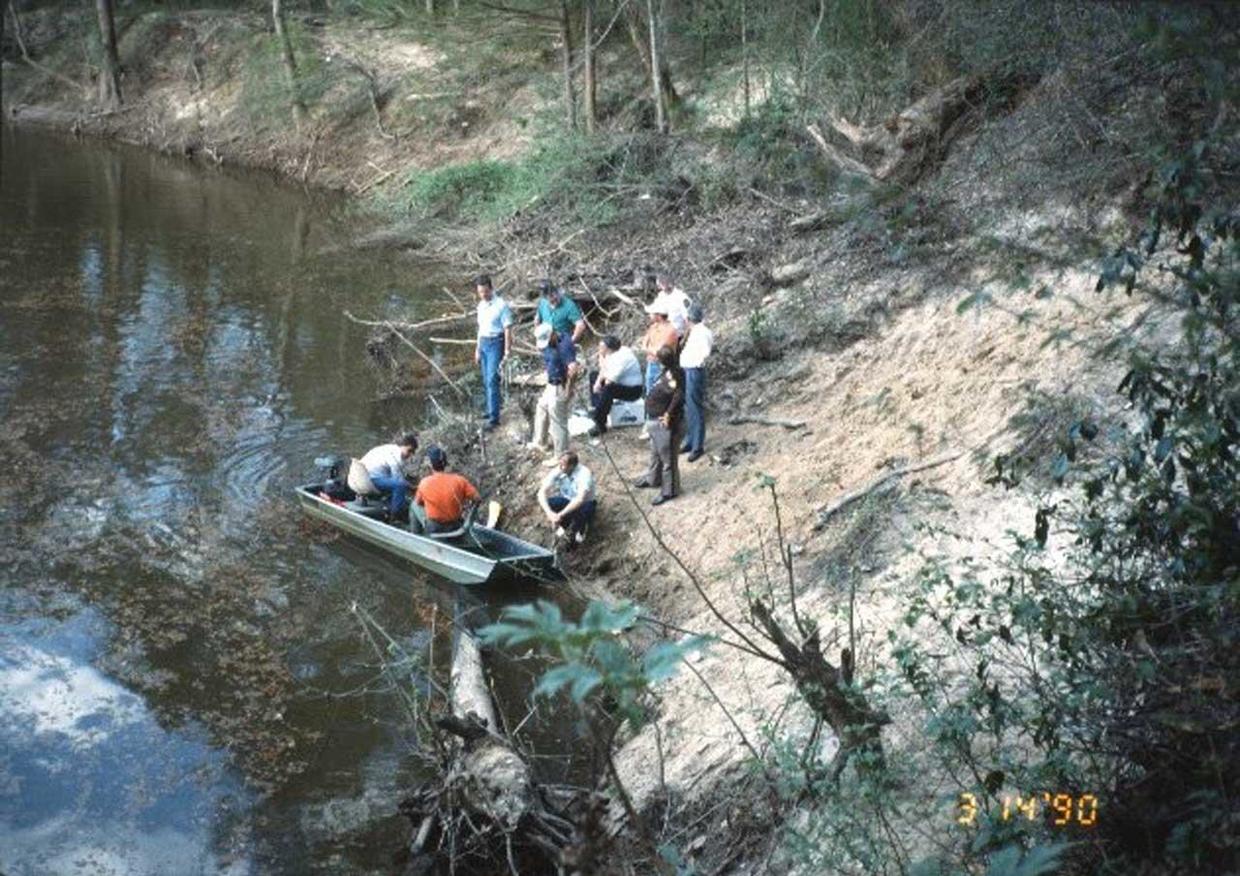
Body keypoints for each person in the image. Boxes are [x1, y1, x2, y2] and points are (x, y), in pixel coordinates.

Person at [633, 345, 684, 506]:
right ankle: (653, 478)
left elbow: (678, 396)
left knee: (668, 458)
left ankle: (670, 490)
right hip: (654, 421)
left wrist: (668, 414)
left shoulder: (674, 375)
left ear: (663, 361)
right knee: (655, 453)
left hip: (665, 422)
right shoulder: (666, 372)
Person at [528, 322, 572, 463]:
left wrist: (568, 390)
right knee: (541, 408)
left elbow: (573, 369)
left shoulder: (564, 345)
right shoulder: (548, 344)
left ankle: (561, 455)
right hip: (551, 382)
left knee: (558, 420)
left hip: (561, 384)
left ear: (553, 334)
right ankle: (540, 442)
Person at [411, 445, 481, 534]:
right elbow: (478, 498)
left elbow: (418, 503)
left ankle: (416, 535)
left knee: (413, 505)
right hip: (456, 526)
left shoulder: (424, 482)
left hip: (434, 528)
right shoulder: (460, 480)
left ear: (431, 465)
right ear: (445, 463)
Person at [473, 274, 513, 430]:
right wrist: (477, 348)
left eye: (485, 291)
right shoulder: (480, 306)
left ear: (491, 288)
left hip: (496, 342)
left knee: (492, 379)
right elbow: (480, 328)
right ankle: (490, 409)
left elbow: (508, 328)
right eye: (480, 292)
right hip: (483, 342)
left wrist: (507, 350)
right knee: (485, 379)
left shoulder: (501, 305)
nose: (483, 295)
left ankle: (494, 418)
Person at [588, 335, 643, 437]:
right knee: (594, 376)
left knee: (608, 389)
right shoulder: (613, 352)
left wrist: (601, 360)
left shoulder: (622, 359)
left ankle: (600, 423)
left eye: (601, 347)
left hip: (633, 390)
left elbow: (609, 381)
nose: (599, 349)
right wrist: (597, 383)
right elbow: (604, 370)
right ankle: (597, 408)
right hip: (620, 383)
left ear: (608, 349)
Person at [678, 303, 713, 462]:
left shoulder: (702, 332)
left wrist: (696, 363)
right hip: (688, 370)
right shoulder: (693, 331)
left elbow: (705, 352)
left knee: (695, 407)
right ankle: (690, 440)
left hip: (694, 371)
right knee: (688, 407)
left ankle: (697, 446)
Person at [538, 450, 596, 544]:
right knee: (551, 503)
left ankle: (581, 529)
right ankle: (565, 524)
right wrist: (550, 513)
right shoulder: (559, 469)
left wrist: (560, 514)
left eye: (563, 465)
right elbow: (541, 492)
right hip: (567, 500)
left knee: (585, 511)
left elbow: (579, 499)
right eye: (559, 464)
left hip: (584, 503)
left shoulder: (584, 475)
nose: (560, 467)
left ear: (572, 466)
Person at [359, 433, 419, 518]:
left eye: (413, 452)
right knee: (400, 486)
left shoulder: (392, 448)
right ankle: (396, 515)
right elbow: (398, 480)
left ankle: (391, 504)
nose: (410, 454)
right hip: (370, 478)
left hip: (366, 474)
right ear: (403, 445)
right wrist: (412, 487)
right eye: (409, 450)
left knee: (399, 484)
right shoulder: (396, 457)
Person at [534, 279, 586, 348]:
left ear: (557, 292)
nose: (554, 301)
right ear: (545, 298)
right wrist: (539, 336)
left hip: (561, 340)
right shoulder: (543, 302)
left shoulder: (568, 305)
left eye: (555, 298)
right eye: (551, 301)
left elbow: (580, 325)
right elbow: (537, 319)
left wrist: (570, 342)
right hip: (547, 339)